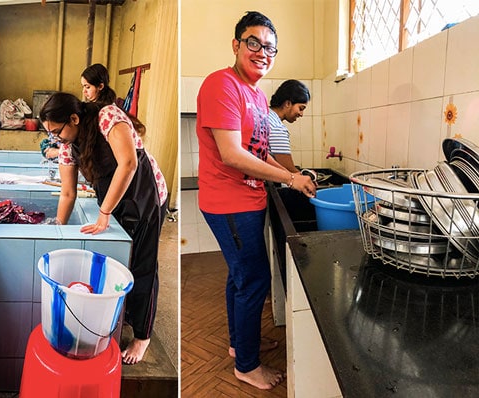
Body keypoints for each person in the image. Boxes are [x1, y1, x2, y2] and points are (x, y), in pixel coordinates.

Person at [196, 11, 317, 390]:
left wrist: (292, 179)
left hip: (246, 201)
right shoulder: (222, 85)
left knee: (241, 277)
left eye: (270, 48)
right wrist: (290, 177)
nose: (263, 52)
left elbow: (257, 151)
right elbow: (231, 154)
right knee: (254, 280)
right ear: (236, 44)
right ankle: (246, 366)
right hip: (230, 203)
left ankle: (239, 344)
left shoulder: (256, 94)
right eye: (254, 43)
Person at [39, 92, 168, 365]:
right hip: (115, 198)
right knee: (122, 262)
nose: (55, 138)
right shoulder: (67, 145)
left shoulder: (107, 116)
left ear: (74, 118)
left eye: (57, 131)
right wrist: (58, 229)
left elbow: (129, 163)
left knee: (143, 264)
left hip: (144, 194)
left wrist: (104, 212)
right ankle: (130, 314)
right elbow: (67, 193)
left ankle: (142, 337)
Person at [39, 63, 118, 160]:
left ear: (100, 86)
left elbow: (127, 162)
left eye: (87, 87)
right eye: (83, 87)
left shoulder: (108, 115)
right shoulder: (86, 113)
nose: (84, 91)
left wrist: (57, 152)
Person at [268, 79, 310, 173]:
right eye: (301, 108)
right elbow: (287, 168)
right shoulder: (277, 127)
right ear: (288, 103)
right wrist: (305, 178)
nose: (301, 114)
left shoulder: (265, 115)